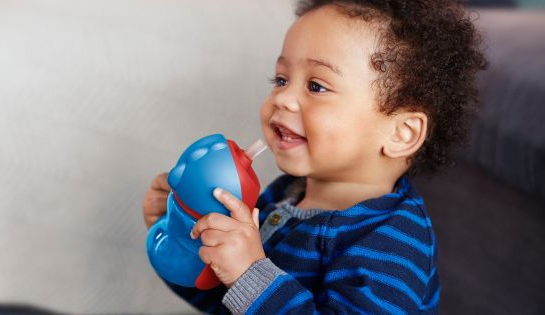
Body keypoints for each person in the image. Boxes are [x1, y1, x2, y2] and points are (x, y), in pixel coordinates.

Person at [142, 0, 487, 313]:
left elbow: (251, 289)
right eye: (280, 79)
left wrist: (249, 274)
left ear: (401, 133)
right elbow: (229, 304)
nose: (282, 99)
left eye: (316, 86)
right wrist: (187, 241)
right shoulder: (281, 196)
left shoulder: (393, 241)